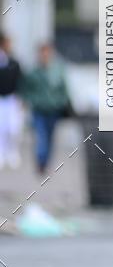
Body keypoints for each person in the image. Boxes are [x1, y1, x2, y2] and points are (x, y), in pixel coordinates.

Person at [22, 43, 70, 175]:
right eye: (42, 53)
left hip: (54, 110)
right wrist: (29, 100)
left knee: (50, 138)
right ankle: (40, 163)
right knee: (41, 136)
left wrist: (64, 103)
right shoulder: (33, 72)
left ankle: (46, 162)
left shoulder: (58, 70)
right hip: (39, 109)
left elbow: (64, 89)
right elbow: (25, 89)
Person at [0, 32, 22, 170]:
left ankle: (12, 151)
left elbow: (20, 80)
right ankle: (1, 153)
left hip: (12, 99)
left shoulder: (14, 62)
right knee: (1, 128)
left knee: (13, 128)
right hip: (0, 99)